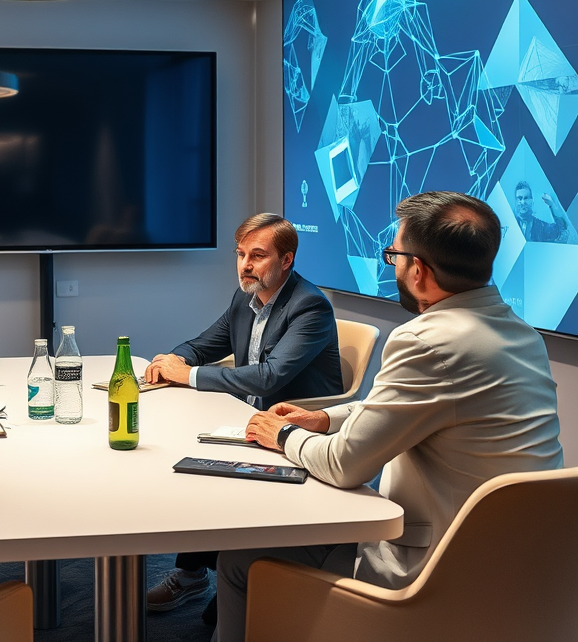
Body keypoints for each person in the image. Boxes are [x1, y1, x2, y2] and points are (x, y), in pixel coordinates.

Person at [216, 191, 563, 642]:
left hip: (431, 578)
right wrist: (324, 420)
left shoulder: (425, 340)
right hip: (524, 578)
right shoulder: (521, 335)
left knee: (239, 560)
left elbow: (343, 466)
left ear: (417, 270)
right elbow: (421, 406)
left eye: (394, 255)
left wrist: (281, 435)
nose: (393, 265)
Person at [144, 213, 342, 619]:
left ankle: (227, 574)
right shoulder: (245, 297)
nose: (245, 265)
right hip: (247, 418)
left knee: (201, 465)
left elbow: (270, 378)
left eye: (257, 255)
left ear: (286, 260)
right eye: (240, 255)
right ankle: (195, 572)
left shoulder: (310, 306)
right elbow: (204, 344)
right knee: (184, 458)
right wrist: (176, 358)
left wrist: (189, 375)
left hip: (292, 432)